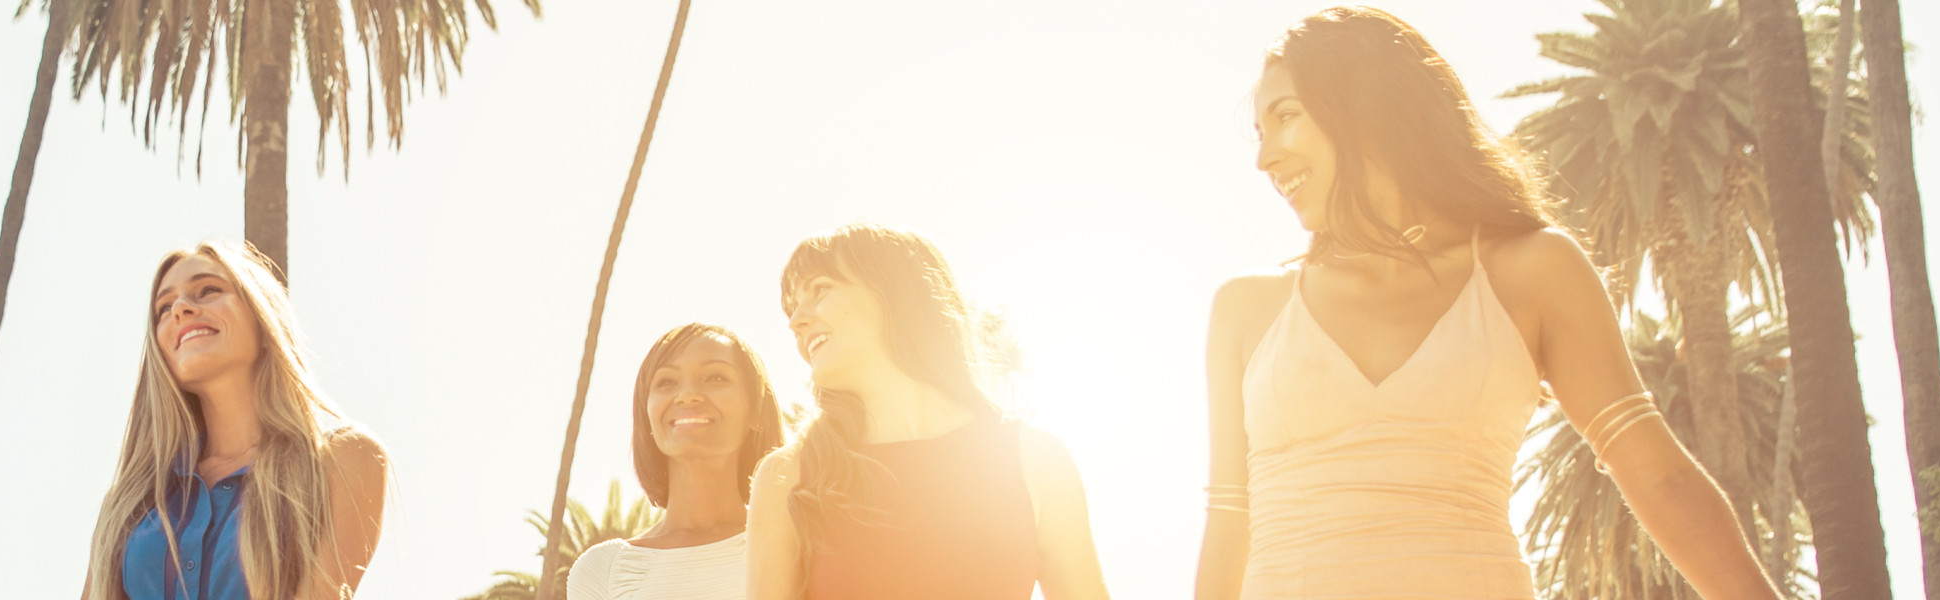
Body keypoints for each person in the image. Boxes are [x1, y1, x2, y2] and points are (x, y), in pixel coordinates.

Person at [1193, 7, 1783, 600]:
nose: (1264, 159)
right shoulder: (1247, 312)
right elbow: (1228, 523)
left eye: (1286, 117)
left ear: (1367, 106)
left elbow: (1661, 476)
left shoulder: (1530, 271)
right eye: (1261, 133)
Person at [745, 224, 1110, 600]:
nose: (796, 320)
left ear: (894, 292)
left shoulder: (1035, 459)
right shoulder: (787, 477)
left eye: (820, 290)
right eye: (792, 306)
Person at [80, 242, 391, 600]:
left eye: (208, 290)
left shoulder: (344, 461)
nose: (181, 308)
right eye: (164, 308)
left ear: (262, 319)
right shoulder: (129, 503)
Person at [566, 324, 789, 600]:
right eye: (667, 382)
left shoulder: (798, 543)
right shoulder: (602, 570)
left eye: (716, 377)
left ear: (756, 410)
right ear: (646, 413)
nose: (687, 394)